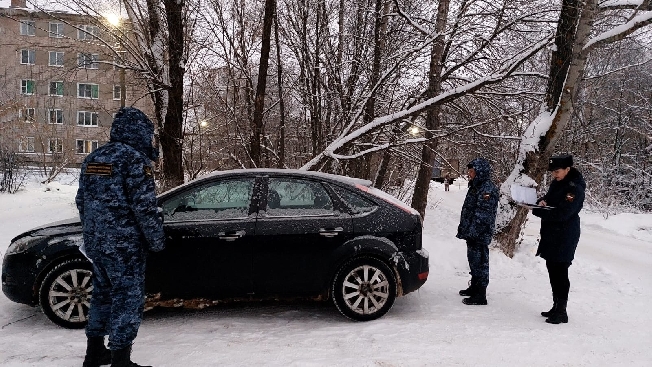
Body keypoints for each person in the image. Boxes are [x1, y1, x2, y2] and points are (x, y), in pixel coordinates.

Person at [76, 107, 165, 367]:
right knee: (127, 298)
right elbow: (145, 208)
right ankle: (121, 360)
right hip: (125, 247)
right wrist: (157, 241)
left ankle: (94, 353)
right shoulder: (135, 160)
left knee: (101, 295)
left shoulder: (94, 157)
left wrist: (94, 232)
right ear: (139, 132)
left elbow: (81, 200)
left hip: (97, 244)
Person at [531, 154, 585, 324]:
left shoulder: (574, 188)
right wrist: (540, 202)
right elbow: (549, 199)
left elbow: (564, 213)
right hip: (552, 233)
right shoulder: (558, 182)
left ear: (567, 169)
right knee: (553, 270)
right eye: (553, 172)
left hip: (565, 235)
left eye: (557, 171)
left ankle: (562, 310)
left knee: (560, 272)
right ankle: (556, 306)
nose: (554, 174)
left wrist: (539, 211)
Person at [456, 158, 499, 305]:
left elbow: (483, 214)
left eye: (472, 171)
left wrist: (473, 231)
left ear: (480, 172)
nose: (469, 174)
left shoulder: (487, 189)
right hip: (472, 232)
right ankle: (474, 287)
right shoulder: (475, 186)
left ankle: (480, 294)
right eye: (469, 171)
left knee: (480, 262)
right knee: (473, 261)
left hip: (479, 233)